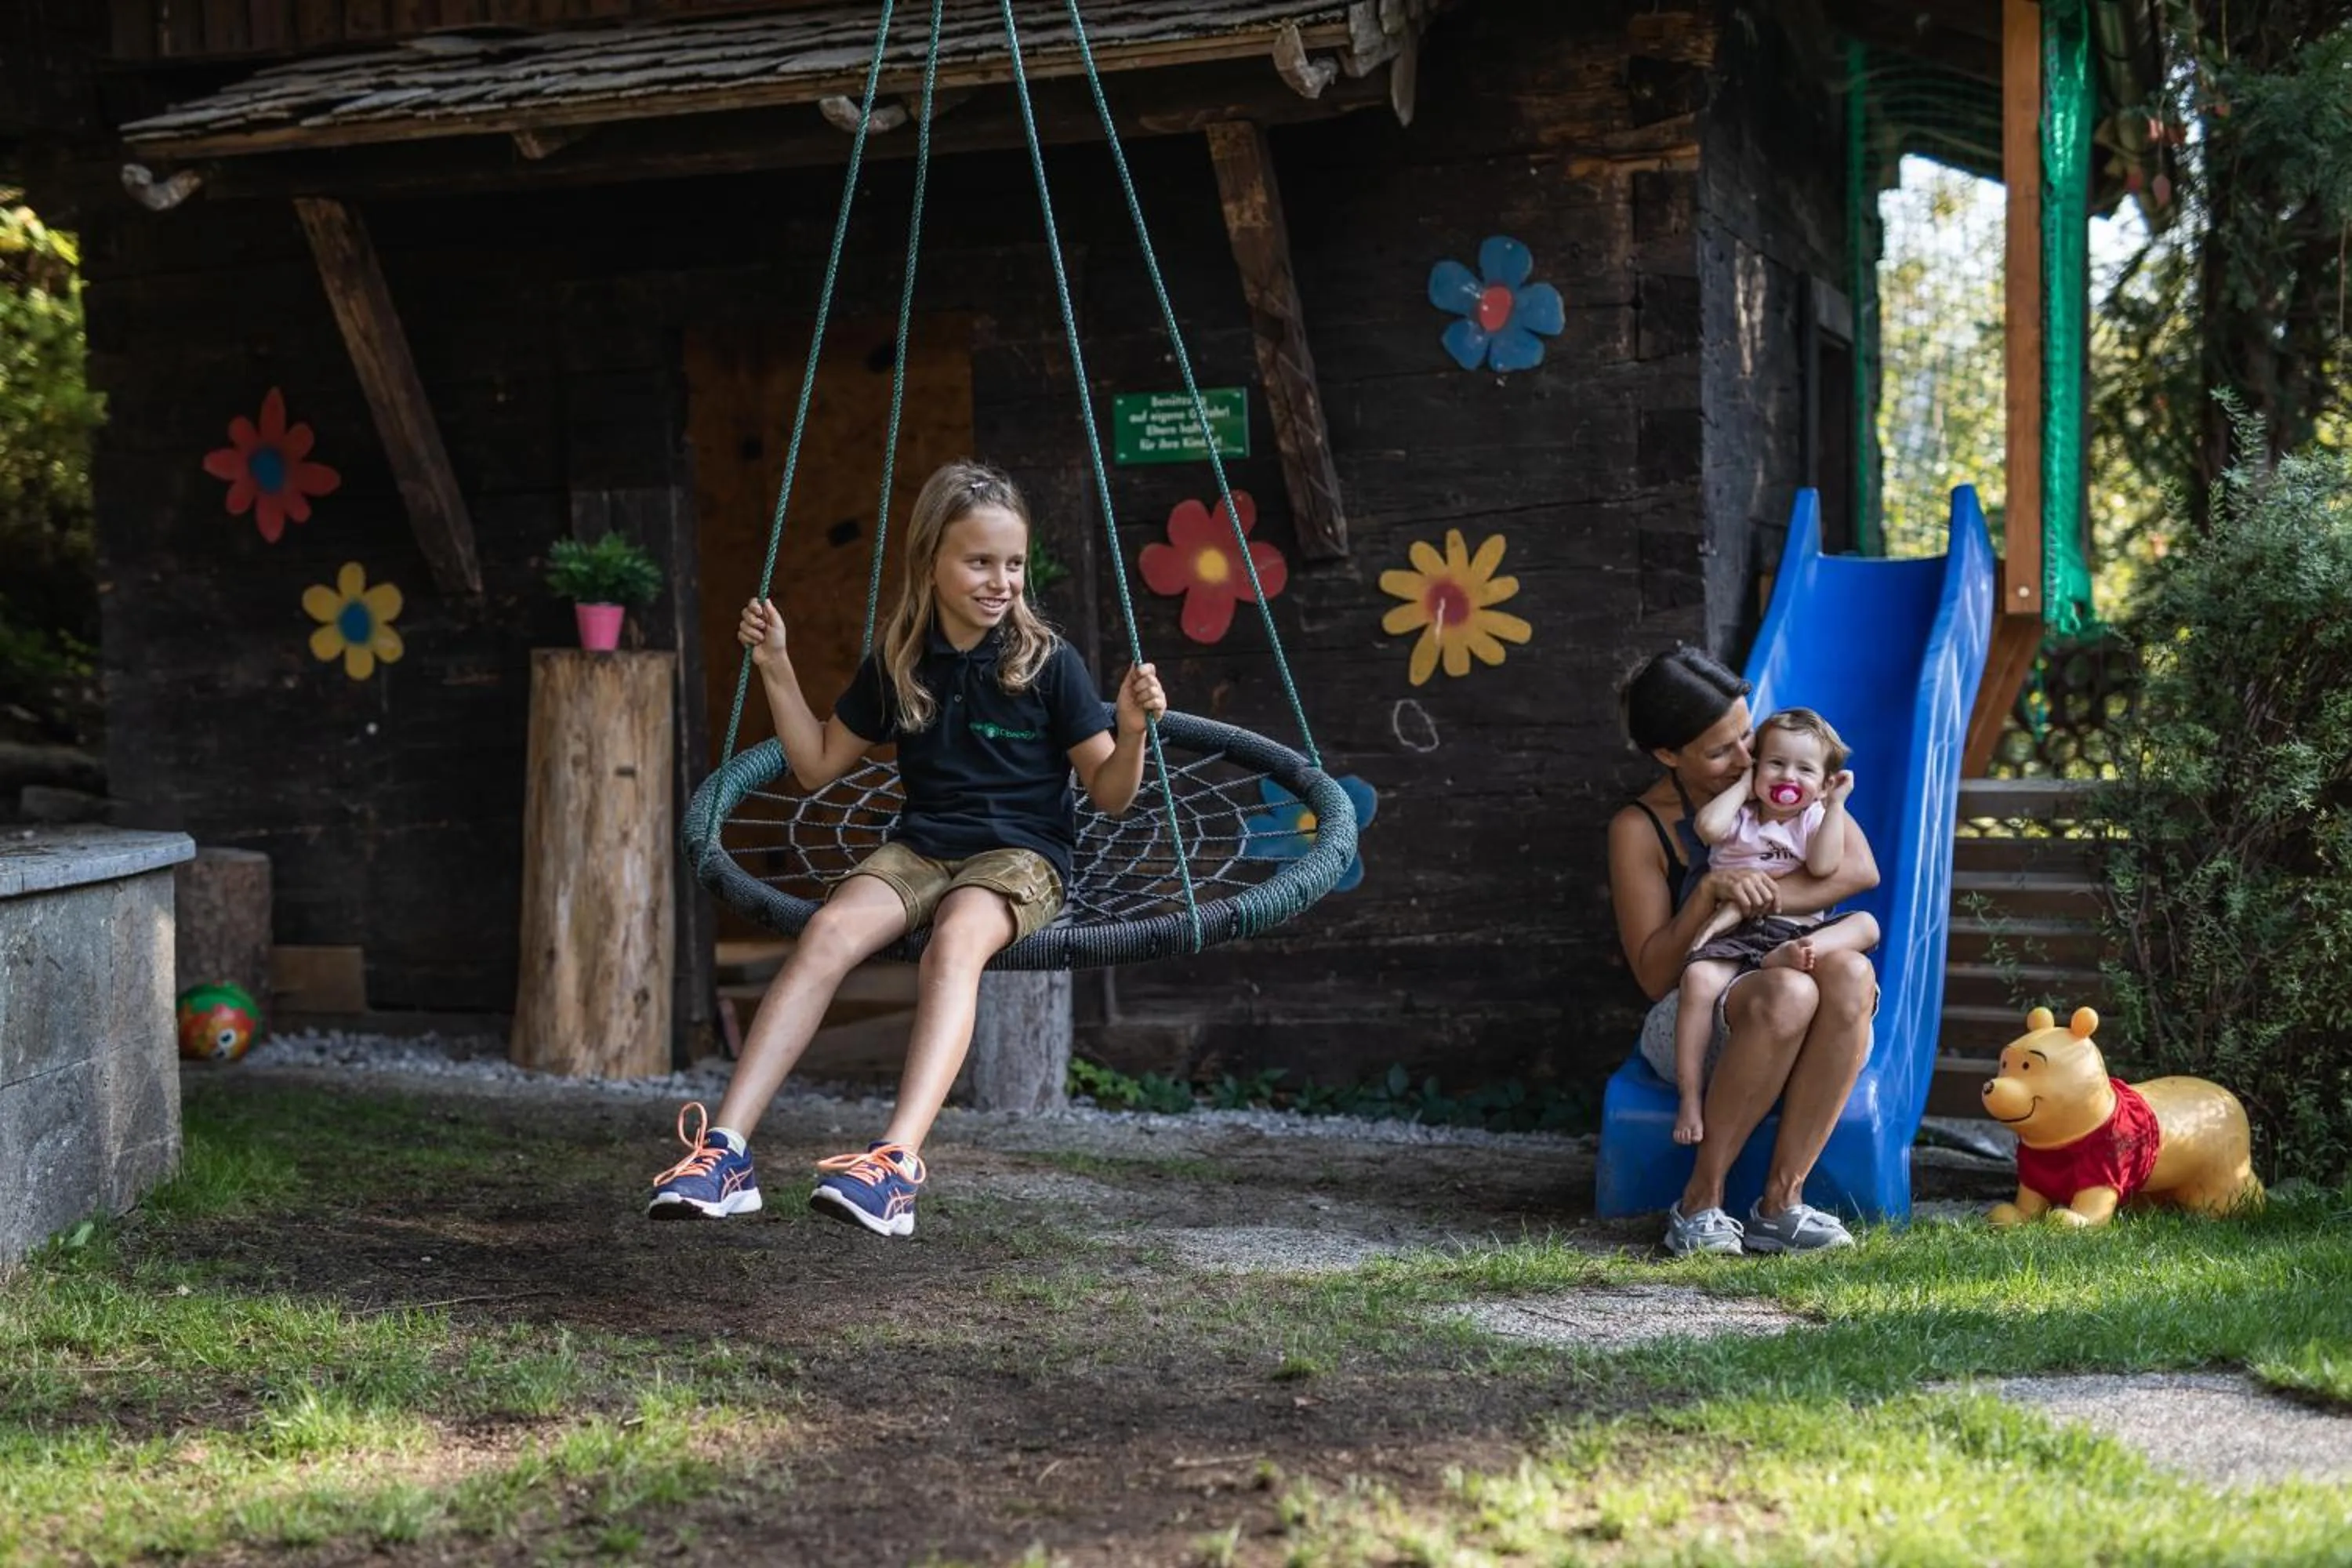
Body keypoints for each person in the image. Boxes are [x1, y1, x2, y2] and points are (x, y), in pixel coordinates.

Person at [648, 459, 1167, 1236]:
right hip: (922, 845)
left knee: (954, 943)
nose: (1001, 580)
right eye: (980, 560)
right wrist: (776, 665)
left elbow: (1112, 794)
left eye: (1014, 563)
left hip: (1021, 856)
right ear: (932, 562)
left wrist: (1129, 732)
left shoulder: (1050, 663)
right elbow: (818, 763)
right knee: (827, 931)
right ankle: (726, 1152)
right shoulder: (901, 661)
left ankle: (894, 1164)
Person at [1608, 647, 1879, 1256]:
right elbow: (1655, 976)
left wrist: (1759, 898)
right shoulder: (1640, 829)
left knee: (1852, 973)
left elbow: (1859, 871)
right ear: (1667, 754)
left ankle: (1782, 1204)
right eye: (1719, 750)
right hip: (1694, 1017)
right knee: (1789, 990)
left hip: (1791, 989)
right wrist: (1708, 892)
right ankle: (1700, 1202)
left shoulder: (1782, 784)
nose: (1746, 760)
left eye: (1746, 736)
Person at [1669, 708, 1881, 1147]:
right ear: (1756, 766)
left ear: (1823, 784)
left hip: (1796, 933)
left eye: (1805, 770)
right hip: (1737, 932)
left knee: (1866, 924)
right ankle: (1689, 1099)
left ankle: (1787, 955)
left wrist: (1834, 805)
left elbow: (1824, 866)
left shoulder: (1813, 819)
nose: (1789, 777)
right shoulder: (1741, 816)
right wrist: (1747, 784)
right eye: (1776, 764)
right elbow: (1707, 828)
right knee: (1697, 979)